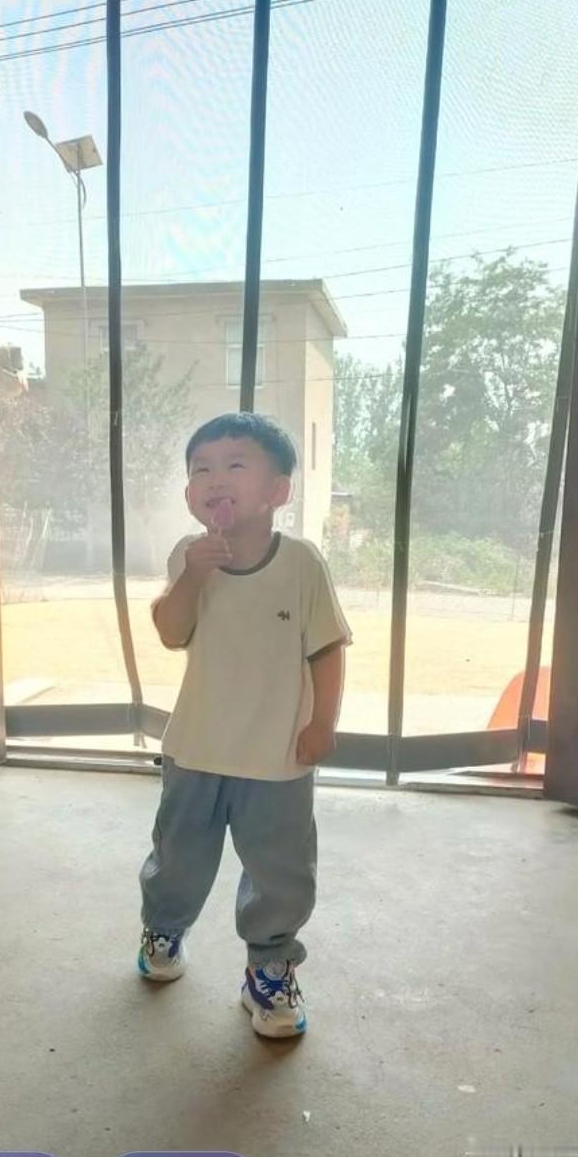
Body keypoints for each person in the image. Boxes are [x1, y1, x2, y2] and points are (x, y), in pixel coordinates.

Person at [138, 412, 351, 1038]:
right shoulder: (188, 555)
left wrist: (323, 723)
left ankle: (270, 967)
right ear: (189, 494)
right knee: (179, 854)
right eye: (201, 468)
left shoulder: (302, 563)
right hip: (197, 748)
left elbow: (328, 649)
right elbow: (171, 630)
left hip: (278, 756)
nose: (215, 478)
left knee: (280, 868)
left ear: (277, 490)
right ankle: (163, 929)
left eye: (235, 465)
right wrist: (195, 573)